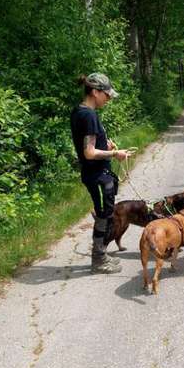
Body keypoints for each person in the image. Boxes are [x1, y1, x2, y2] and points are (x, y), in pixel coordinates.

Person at [70, 73, 135, 274]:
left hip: (97, 174)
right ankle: (98, 260)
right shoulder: (88, 115)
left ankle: (101, 256)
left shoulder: (80, 111)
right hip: (97, 176)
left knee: (105, 214)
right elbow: (88, 153)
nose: (108, 99)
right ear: (95, 92)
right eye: (107, 95)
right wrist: (115, 153)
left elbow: (89, 144)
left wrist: (104, 144)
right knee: (103, 216)